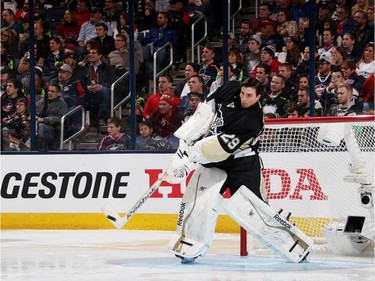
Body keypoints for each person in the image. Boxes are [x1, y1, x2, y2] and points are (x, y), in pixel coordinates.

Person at [168, 79, 267, 263]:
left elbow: (218, 149)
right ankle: (191, 242)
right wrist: (184, 144)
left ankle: (284, 238)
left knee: (254, 210)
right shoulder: (231, 88)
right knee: (198, 201)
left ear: (258, 97)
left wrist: (189, 159)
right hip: (213, 159)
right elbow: (205, 113)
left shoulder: (252, 121)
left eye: (249, 96)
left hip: (242, 162)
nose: (244, 98)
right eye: (243, 93)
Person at [77, 47, 116, 126]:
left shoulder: (108, 68)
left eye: (94, 53)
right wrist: (87, 87)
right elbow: (79, 81)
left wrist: (101, 86)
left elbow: (112, 82)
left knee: (104, 90)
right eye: (90, 53)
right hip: (88, 92)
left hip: (103, 92)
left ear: (100, 55)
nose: (91, 55)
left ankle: (102, 118)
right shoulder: (84, 68)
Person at [36, 84, 68, 151]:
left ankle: (42, 150)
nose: (50, 93)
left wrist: (44, 120)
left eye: (52, 91)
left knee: (41, 127)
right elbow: (34, 113)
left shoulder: (62, 104)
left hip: (54, 130)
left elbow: (60, 118)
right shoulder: (40, 102)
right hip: (38, 125)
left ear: (58, 93)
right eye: (49, 91)